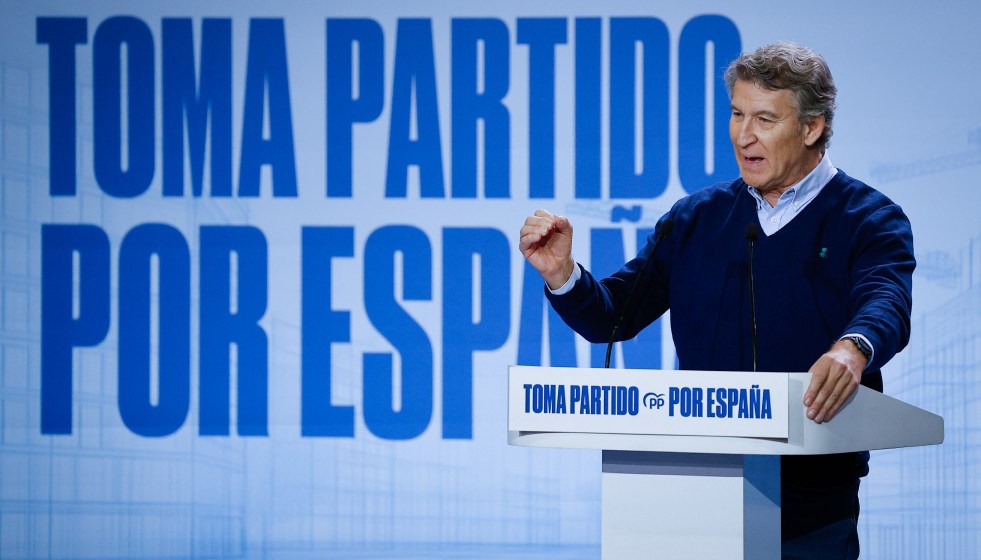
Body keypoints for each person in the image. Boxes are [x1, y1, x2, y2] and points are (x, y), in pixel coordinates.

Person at [519, 41, 914, 559]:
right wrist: (563, 274)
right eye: (736, 114)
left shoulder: (868, 218)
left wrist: (853, 348)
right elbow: (613, 316)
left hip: (811, 503)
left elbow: (886, 298)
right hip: (697, 494)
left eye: (765, 119)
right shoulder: (695, 218)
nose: (743, 135)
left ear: (811, 127)